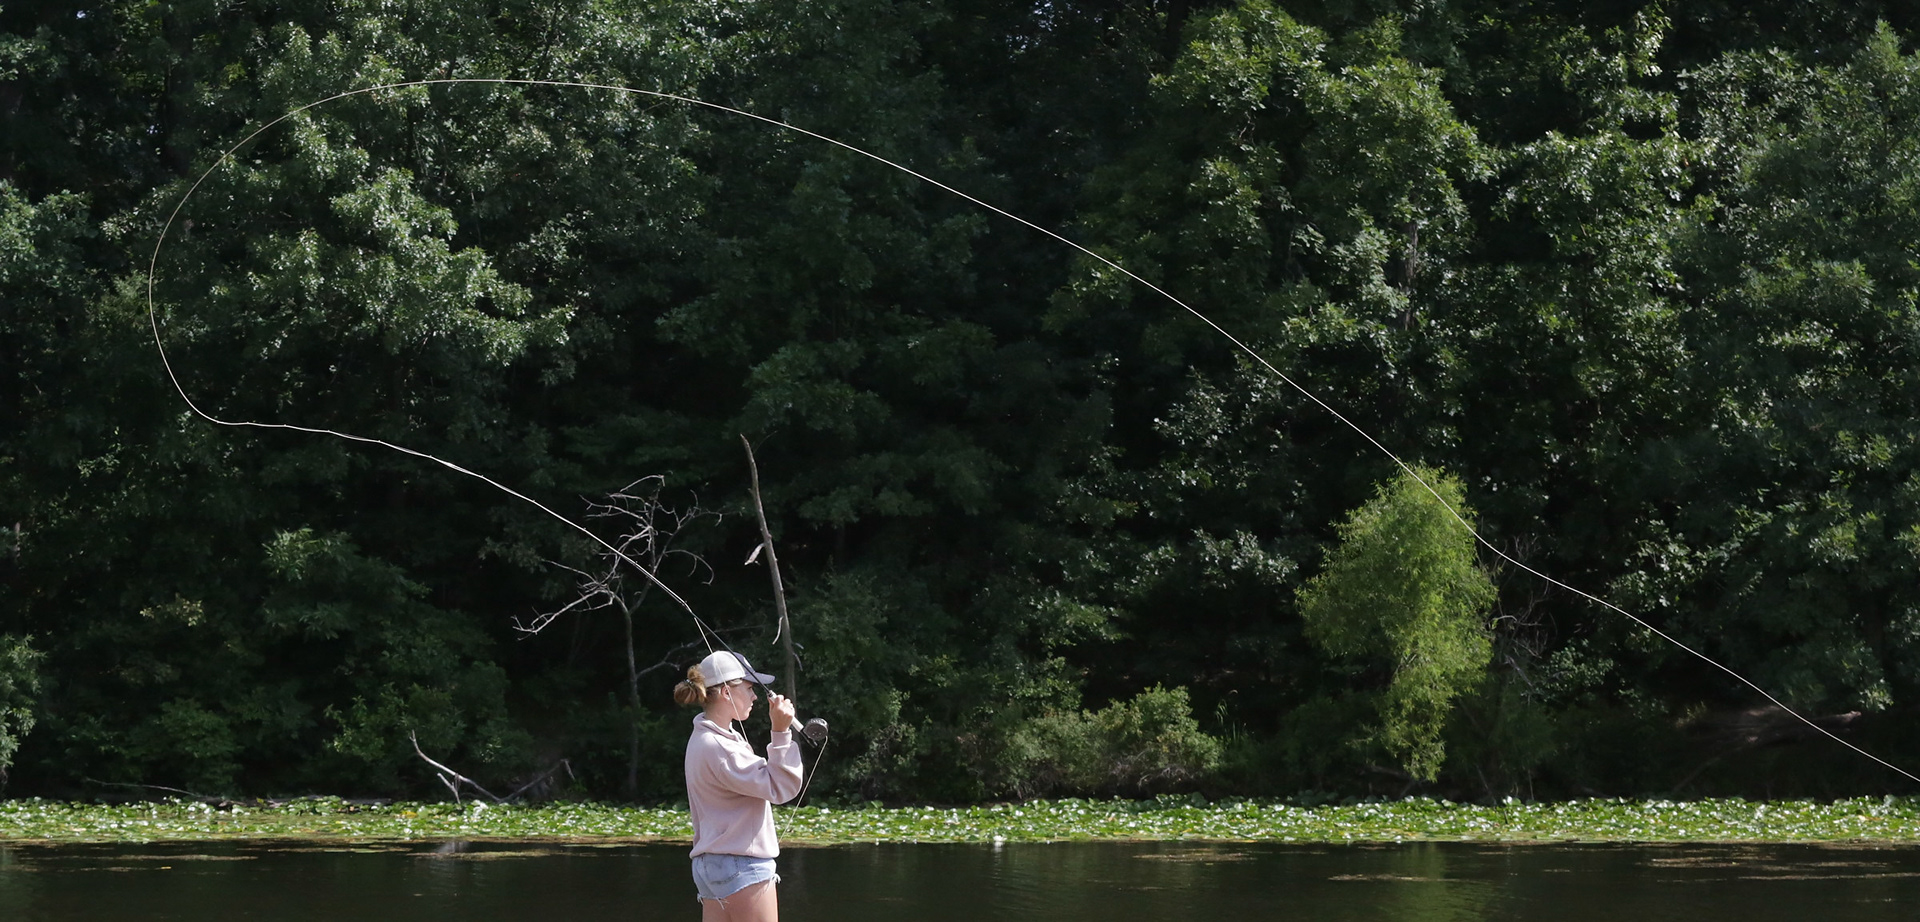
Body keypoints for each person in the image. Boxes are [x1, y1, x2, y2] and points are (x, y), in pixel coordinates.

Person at [674, 650, 803, 921]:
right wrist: (781, 732)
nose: (755, 696)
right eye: (749, 688)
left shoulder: (702, 737)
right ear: (726, 693)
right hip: (741, 866)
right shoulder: (722, 748)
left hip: (710, 867)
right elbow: (781, 787)